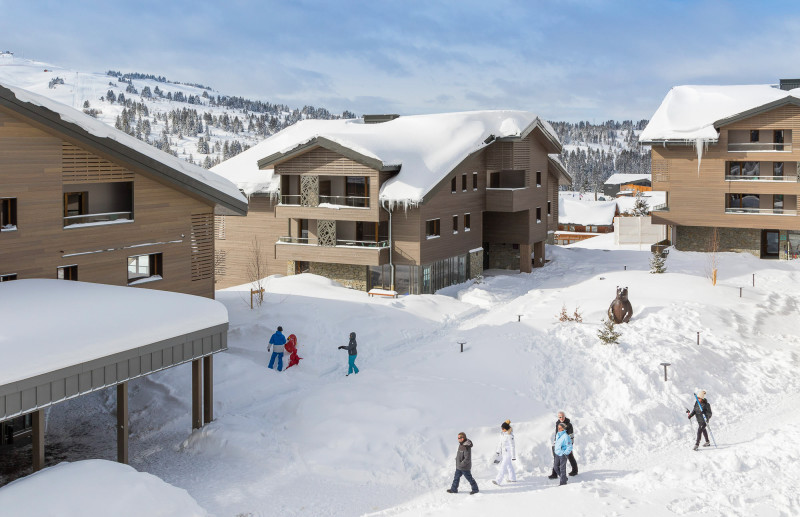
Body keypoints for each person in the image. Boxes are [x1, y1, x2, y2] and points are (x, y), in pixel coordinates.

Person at [548, 411, 578, 478]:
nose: (561, 418)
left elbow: (571, 436)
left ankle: (575, 470)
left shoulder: (569, 425)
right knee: (556, 458)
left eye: (562, 416)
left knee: (570, 457)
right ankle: (554, 474)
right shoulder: (558, 423)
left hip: (566, 445)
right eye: (560, 417)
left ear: (565, 416)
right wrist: (556, 443)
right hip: (559, 445)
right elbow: (557, 434)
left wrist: (570, 446)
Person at [492, 420, 516, 485]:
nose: (502, 429)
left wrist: (513, 456)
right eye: (501, 428)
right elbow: (500, 443)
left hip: (508, 453)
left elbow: (512, 446)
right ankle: (513, 478)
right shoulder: (502, 434)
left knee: (503, 466)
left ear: (506, 428)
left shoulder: (510, 436)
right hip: (503, 453)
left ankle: (498, 480)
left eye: (503, 428)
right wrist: (498, 451)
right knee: (509, 466)